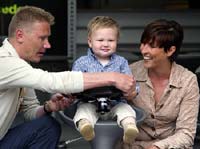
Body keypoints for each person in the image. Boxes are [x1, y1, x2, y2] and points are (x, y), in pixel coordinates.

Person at [0, 6, 137, 148]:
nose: (48, 45)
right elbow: (51, 81)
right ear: (20, 35)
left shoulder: (22, 65)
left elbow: (29, 112)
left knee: (48, 126)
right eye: (42, 38)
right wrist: (112, 77)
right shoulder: (4, 62)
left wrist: (48, 107)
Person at [117, 19, 200, 149]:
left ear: (170, 50)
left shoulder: (188, 81)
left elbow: (186, 134)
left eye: (151, 46)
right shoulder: (128, 73)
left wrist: (157, 147)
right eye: (143, 44)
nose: (143, 50)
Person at [72, 16, 139, 144]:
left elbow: (131, 84)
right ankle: (85, 126)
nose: (105, 44)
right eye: (100, 40)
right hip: (90, 103)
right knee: (83, 111)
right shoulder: (81, 63)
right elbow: (73, 84)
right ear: (90, 42)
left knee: (126, 110)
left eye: (111, 40)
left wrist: (132, 91)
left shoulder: (121, 63)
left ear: (117, 42)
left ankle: (129, 127)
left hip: (115, 103)